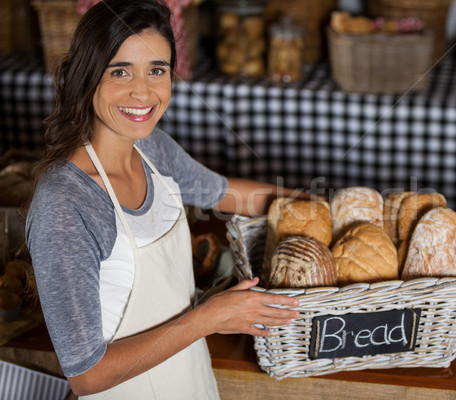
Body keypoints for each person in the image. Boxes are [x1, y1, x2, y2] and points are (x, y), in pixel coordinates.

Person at [25, 1, 304, 398]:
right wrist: (207, 319)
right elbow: (86, 374)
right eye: (120, 71)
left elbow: (224, 193)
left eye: (157, 70)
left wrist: (317, 206)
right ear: (87, 76)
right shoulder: (64, 204)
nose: (144, 91)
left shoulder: (152, 149)